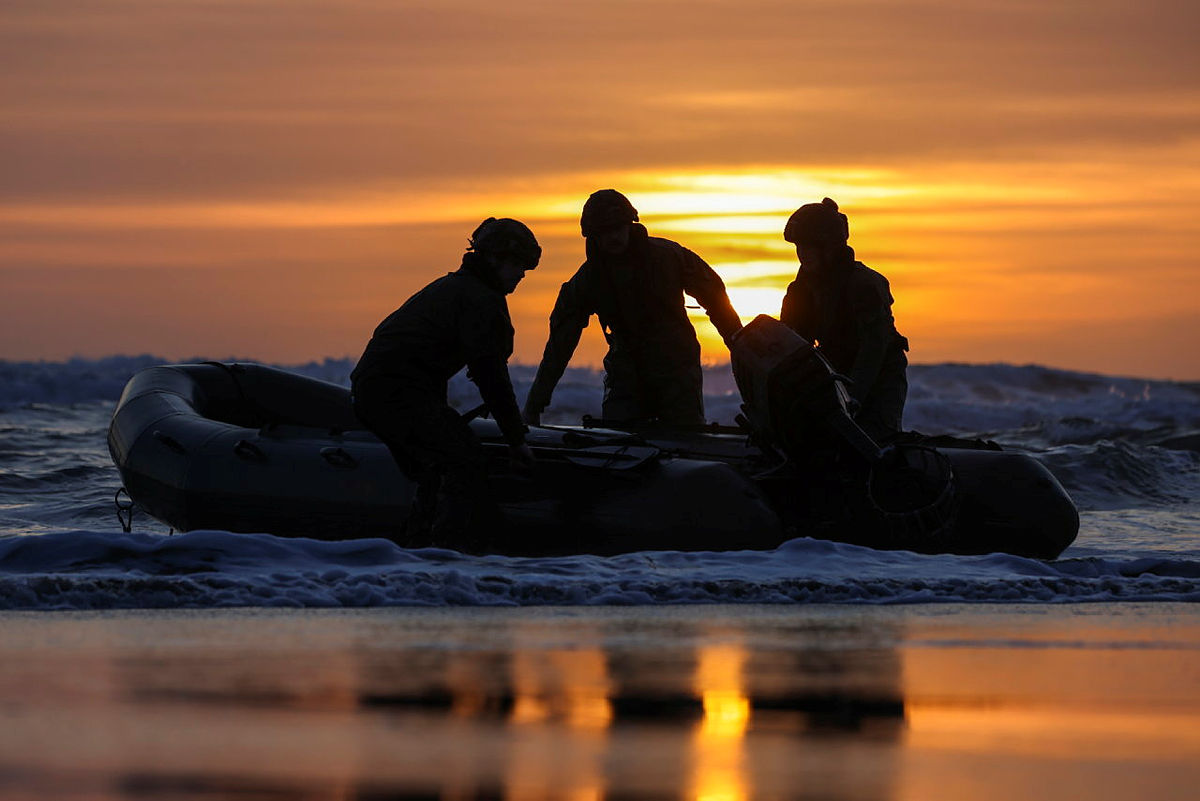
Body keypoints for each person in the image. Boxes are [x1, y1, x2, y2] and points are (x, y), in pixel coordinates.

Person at [351, 218, 539, 550]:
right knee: (462, 459)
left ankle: (419, 547)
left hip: (381, 390)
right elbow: (490, 374)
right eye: (517, 265)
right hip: (394, 393)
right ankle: (445, 554)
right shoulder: (479, 299)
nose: (521, 274)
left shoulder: (454, 288)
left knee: (434, 467)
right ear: (493, 258)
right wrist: (516, 439)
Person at [523, 189, 742, 426]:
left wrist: (742, 349)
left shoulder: (669, 258)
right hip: (625, 373)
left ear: (629, 225)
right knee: (619, 442)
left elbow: (717, 302)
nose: (613, 237)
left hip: (676, 370)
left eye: (617, 228)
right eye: (604, 232)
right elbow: (560, 345)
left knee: (685, 438)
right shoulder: (586, 281)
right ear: (593, 236)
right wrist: (535, 404)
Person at [779, 198, 909, 442]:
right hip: (835, 371)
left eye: (808, 247)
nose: (802, 255)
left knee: (874, 440)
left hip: (879, 373)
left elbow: (874, 347)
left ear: (828, 247)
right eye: (799, 247)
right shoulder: (800, 290)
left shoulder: (864, 284)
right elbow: (791, 343)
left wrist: (852, 397)